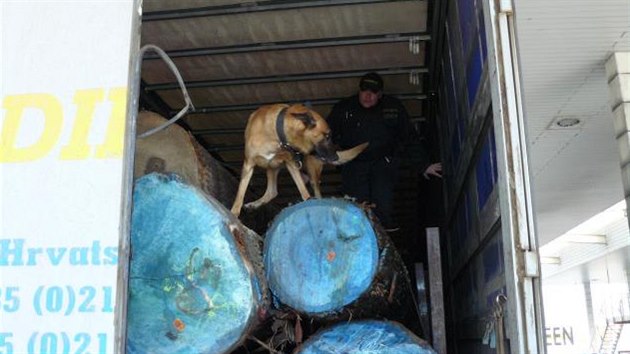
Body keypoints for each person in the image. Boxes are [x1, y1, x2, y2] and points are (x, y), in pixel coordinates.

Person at [326, 72, 442, 229]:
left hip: (383, 163)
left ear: (380, 94)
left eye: (373, 92)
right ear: (359, 91)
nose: (368, 96)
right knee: (355, 208)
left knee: (381, 205)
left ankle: (382, 239)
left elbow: (409, 138)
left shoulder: (393, 108)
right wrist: (309, 166)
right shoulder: (343, 108)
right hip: (353, 164)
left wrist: (424, 165)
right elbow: (323, 137)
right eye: (364, 91)